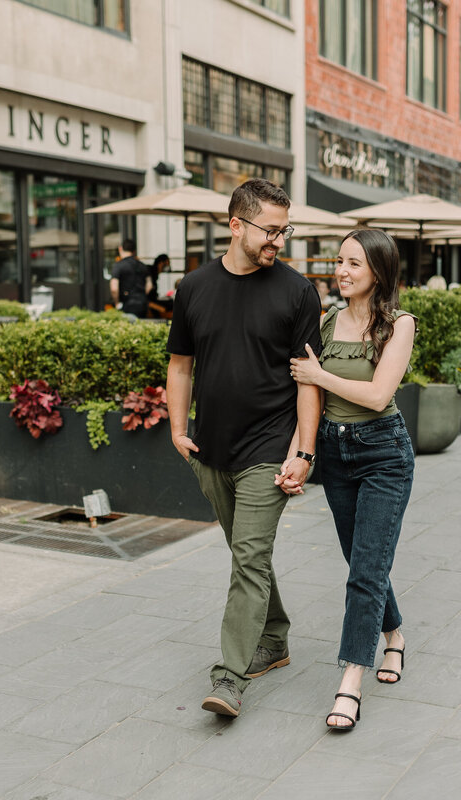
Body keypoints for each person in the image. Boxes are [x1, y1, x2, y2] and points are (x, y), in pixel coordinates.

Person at [166, 178, 323, 718]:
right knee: (246, 553)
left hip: (269, 447)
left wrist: (302, 452)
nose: (279, 240)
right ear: (235, 225)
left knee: (249, 557)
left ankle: (230, 675)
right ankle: (273, 637)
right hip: (211, 448)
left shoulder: (298, 292)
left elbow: (309, 381)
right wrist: (176, 426)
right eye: (270, 230)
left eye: (285, 229)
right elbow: (181, 364)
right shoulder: (193, 288)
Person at [288, 229, 417, 732]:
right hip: (335, 454)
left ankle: (350, 683)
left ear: (378, 272)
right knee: (363, 559)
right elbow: (308, 397)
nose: (341, 271)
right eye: (339, 261)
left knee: (364, 570)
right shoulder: (325, 322)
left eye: (354, 264)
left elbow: (379, 395)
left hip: (384, 453)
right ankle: (395, 635)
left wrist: (320, 376)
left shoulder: (398, 325)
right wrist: (300, 453)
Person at [110, 239, 151, 317]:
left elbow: (114, 288)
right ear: (134, 251)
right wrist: (141, 295)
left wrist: (117, 303)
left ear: (120, 248)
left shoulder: (118, 266)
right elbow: (149, 285)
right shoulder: (142, 266)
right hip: (142, 304)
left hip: (126, 305)